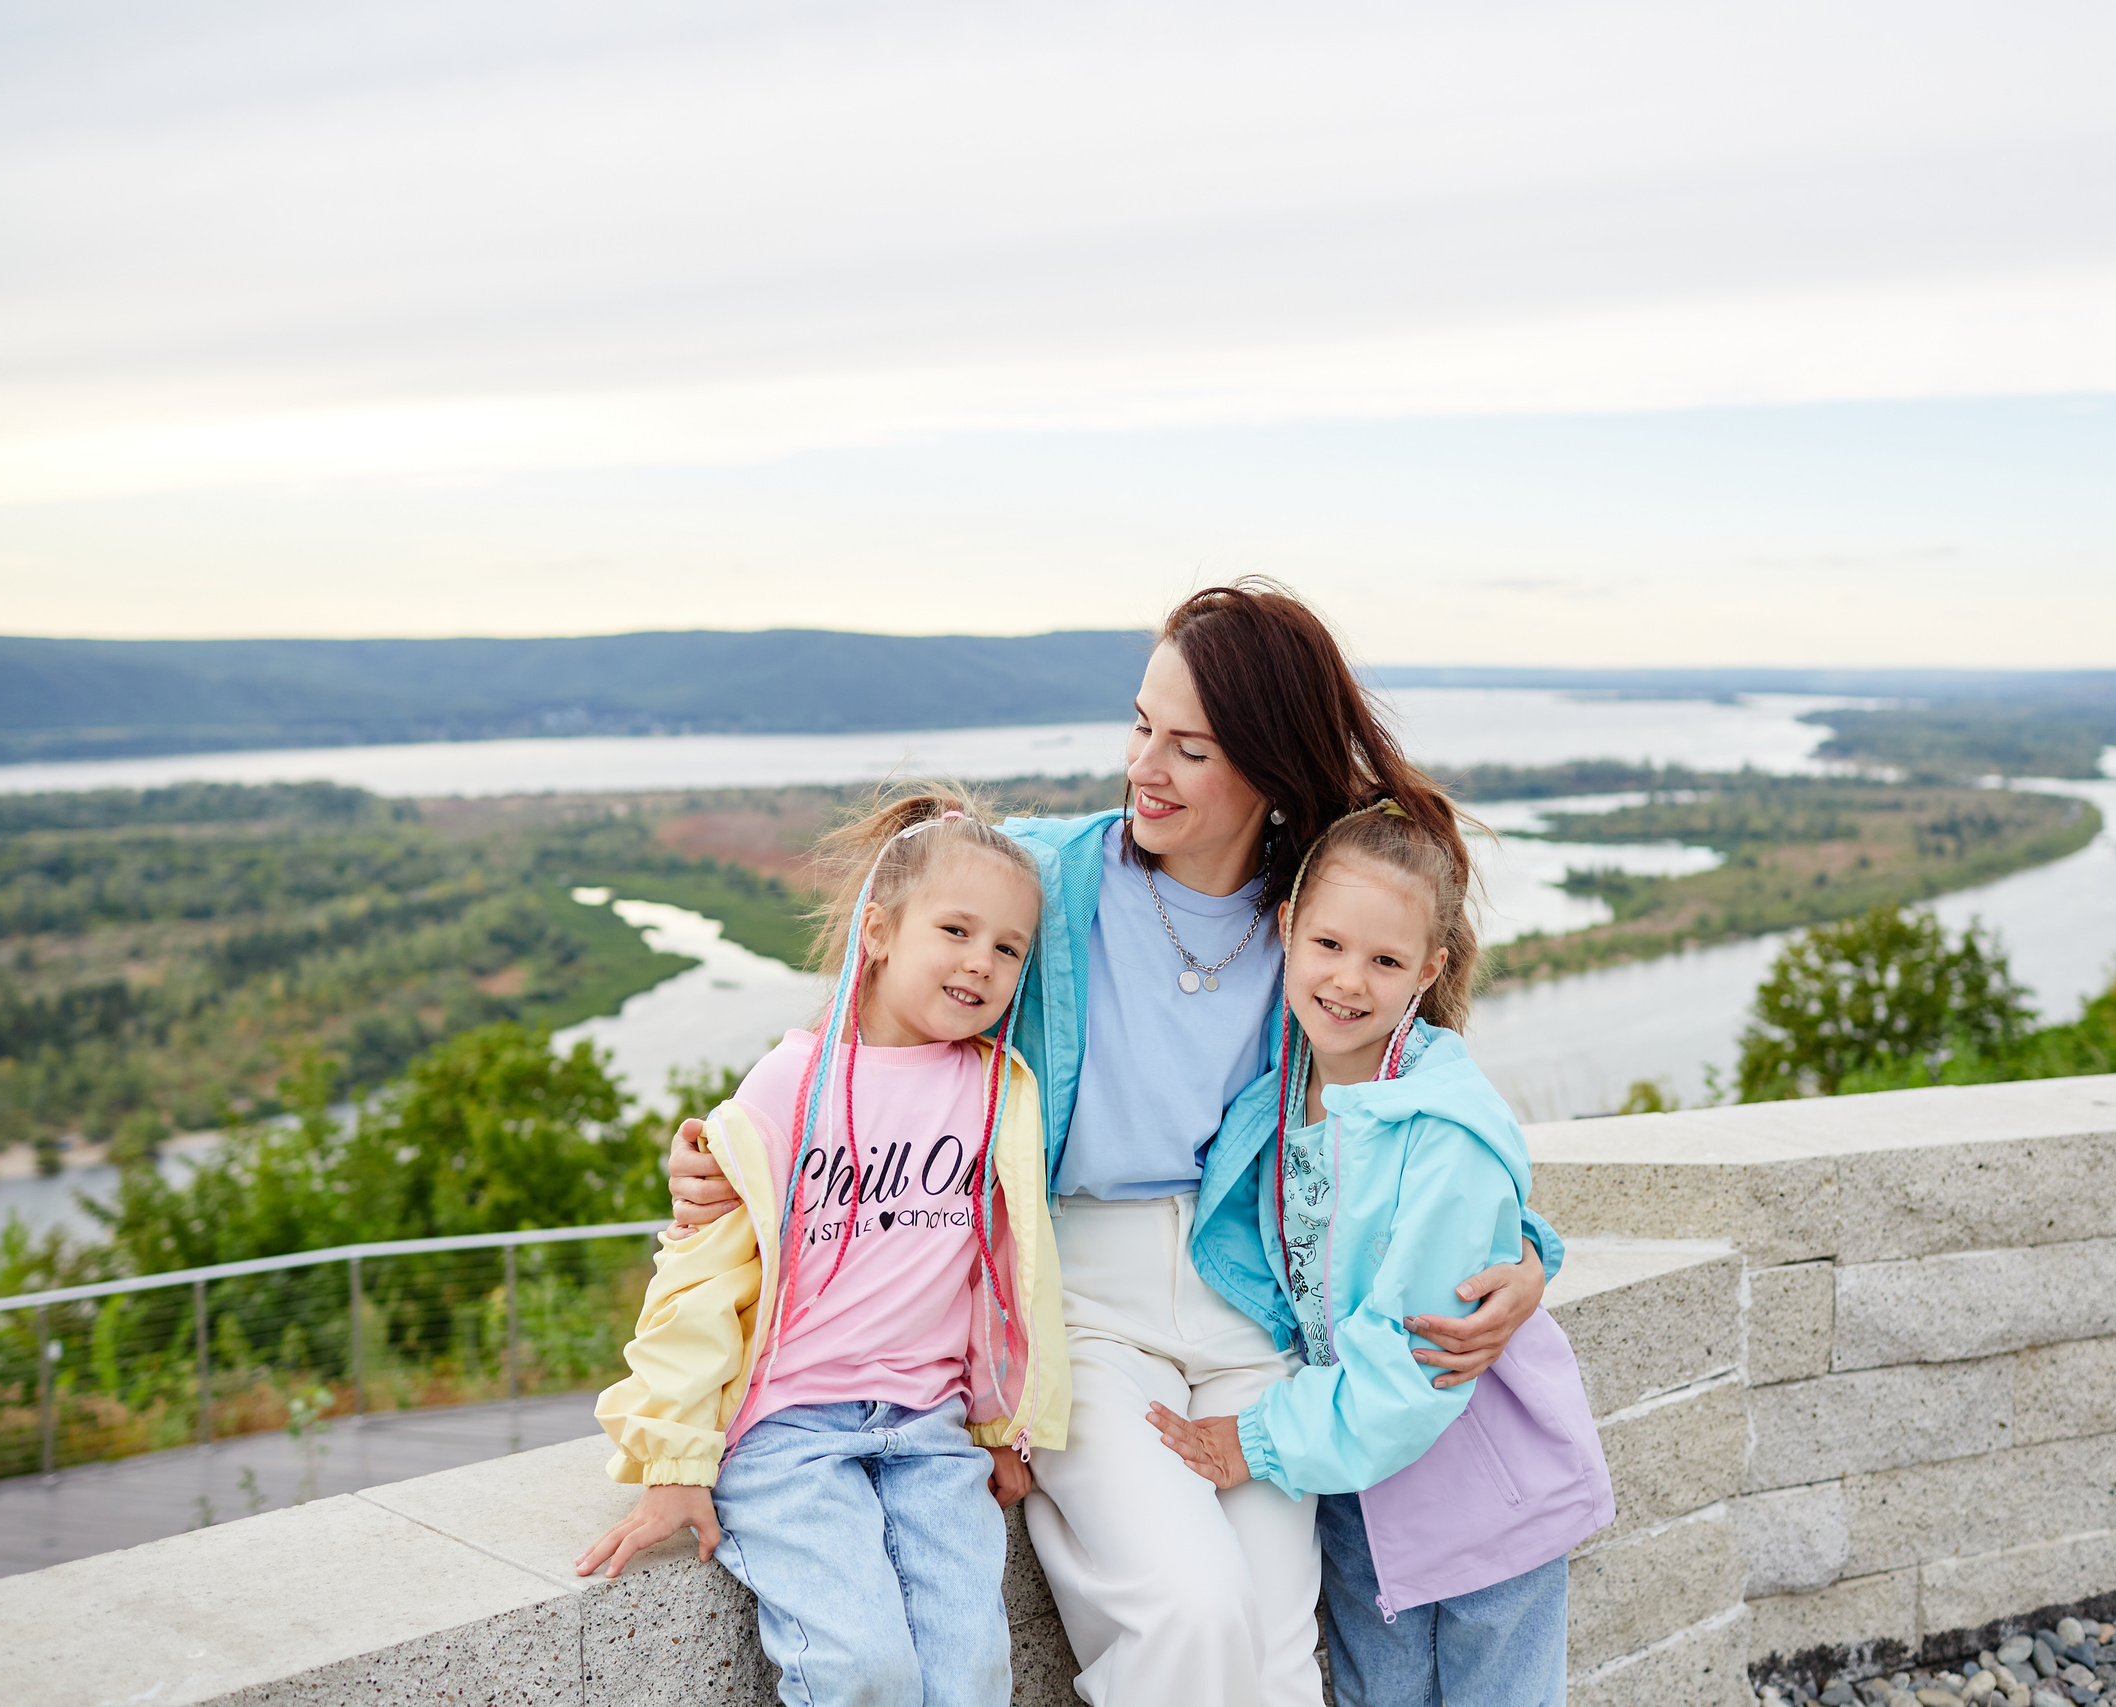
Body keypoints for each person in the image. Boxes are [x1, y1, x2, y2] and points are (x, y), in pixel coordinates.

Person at [665, 581, 1564, 1707]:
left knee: (1279, 1656)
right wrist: (729, 1160)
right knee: (1188, 1613)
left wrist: (1526, 1249)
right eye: (1142, 725)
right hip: (1078, 1304)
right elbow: (861, 1046)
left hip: (1250, 1306)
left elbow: (1416, 1101)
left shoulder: (1325, 914)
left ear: (1268, 766)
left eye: (1189, 748)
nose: (1145, 765)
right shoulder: (1041, 883)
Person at [576, 790, 1069, 1707]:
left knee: (972, 1674)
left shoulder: (1002, 1093)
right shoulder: (789, 1080)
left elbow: (1000, 1278)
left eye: (1008, 947)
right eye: (956, 930)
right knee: (860, 1669)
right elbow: (702, 1275)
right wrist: (676, 1462)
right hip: (790, 1432)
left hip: (929, 1433)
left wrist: (1004, 1427)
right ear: (877, 931)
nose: (981, 963)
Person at [1148, 802, 1613, 1707]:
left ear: (1428, 971)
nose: (1348, 980)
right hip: (1361, 1499)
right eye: (1328, 943)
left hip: (1485, 1498)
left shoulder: (1442, 1129)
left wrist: (1253, 1440)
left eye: (1386, 961)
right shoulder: (1283, 1084)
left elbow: (1411, 1362)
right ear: (1286, 927)